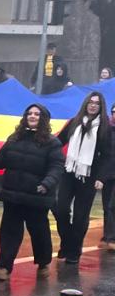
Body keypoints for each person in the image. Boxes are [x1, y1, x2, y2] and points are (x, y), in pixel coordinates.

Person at [0, 104, 64, 281]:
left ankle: (43, 262)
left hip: (36, 197)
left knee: (39, 232)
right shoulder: (14, 139)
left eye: (37, 114)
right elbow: (0, 161)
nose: (32, 116)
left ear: (43, 118)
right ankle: (3, 267)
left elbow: (56, 167)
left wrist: (46, 184)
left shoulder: (52, 143)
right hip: (13, 196)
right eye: (29, 113)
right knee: (9, 233)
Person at [54, 92, 110, 266]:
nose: (93, 105)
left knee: (80, 216)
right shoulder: (74, 122)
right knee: (61, 209)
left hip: (90, 176)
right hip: (69, 171)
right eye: (90, 102)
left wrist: (101, 178)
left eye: (97, 104)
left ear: (101, 108)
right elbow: (58, 142)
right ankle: (67, 241)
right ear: (85, 104)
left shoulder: (104, 128)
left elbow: (108, 156)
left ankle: (74, 250)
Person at [101, 102, 115, 250]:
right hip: (107, 174)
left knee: (112, 206)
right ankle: (107, 235)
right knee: (107, 206)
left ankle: (111, 236)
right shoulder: (106, 131)